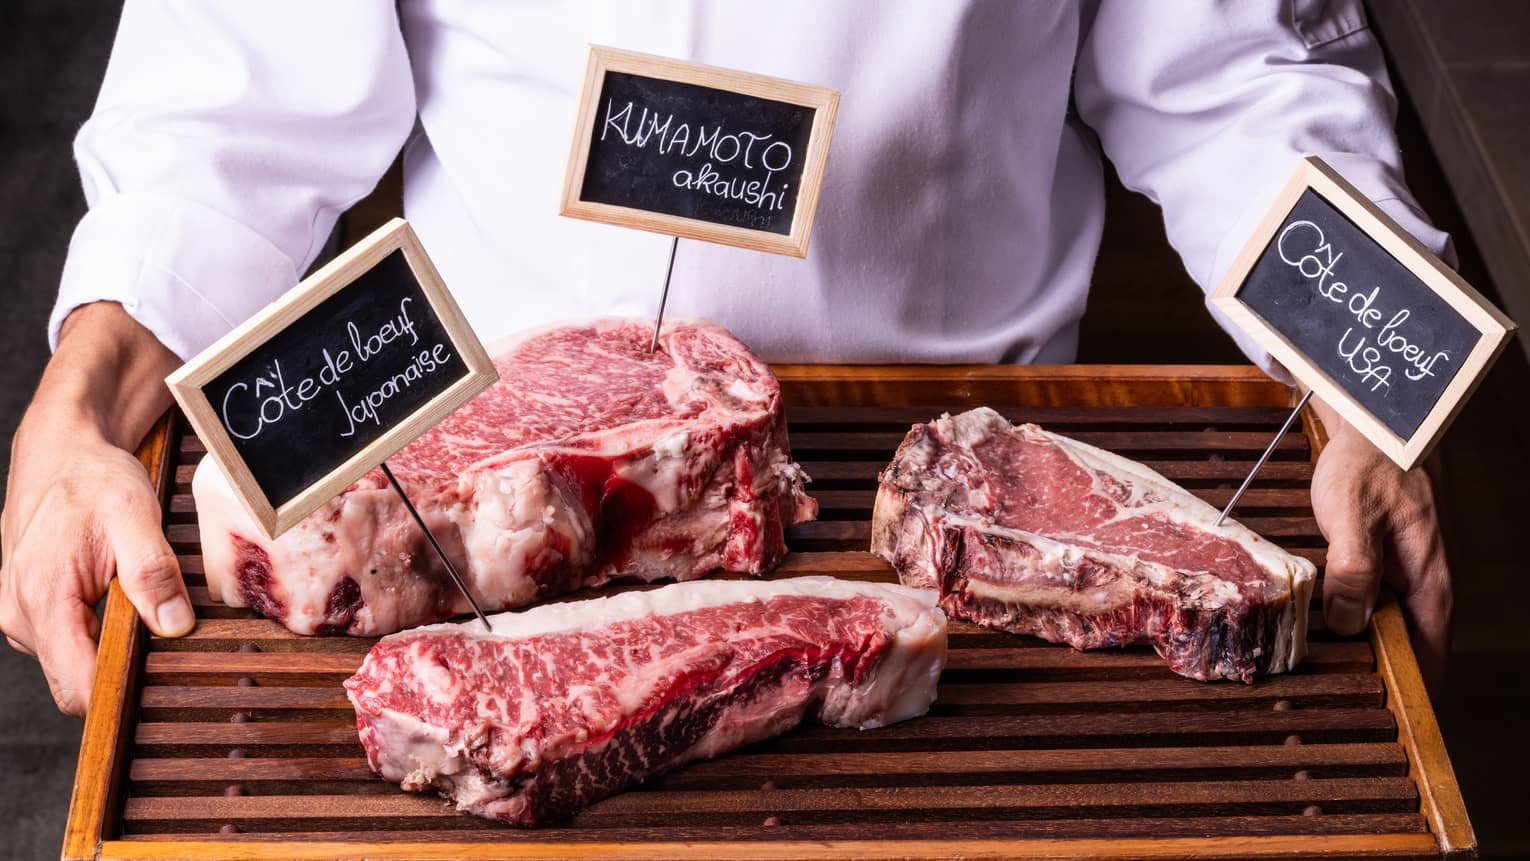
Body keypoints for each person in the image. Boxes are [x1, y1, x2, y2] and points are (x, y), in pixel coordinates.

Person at [1, 2, 1452, 715]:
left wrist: (1369, 389)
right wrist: (81, 408)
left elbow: (1235, 85)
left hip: (968, 533)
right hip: (481, 517)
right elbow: (227, 101)